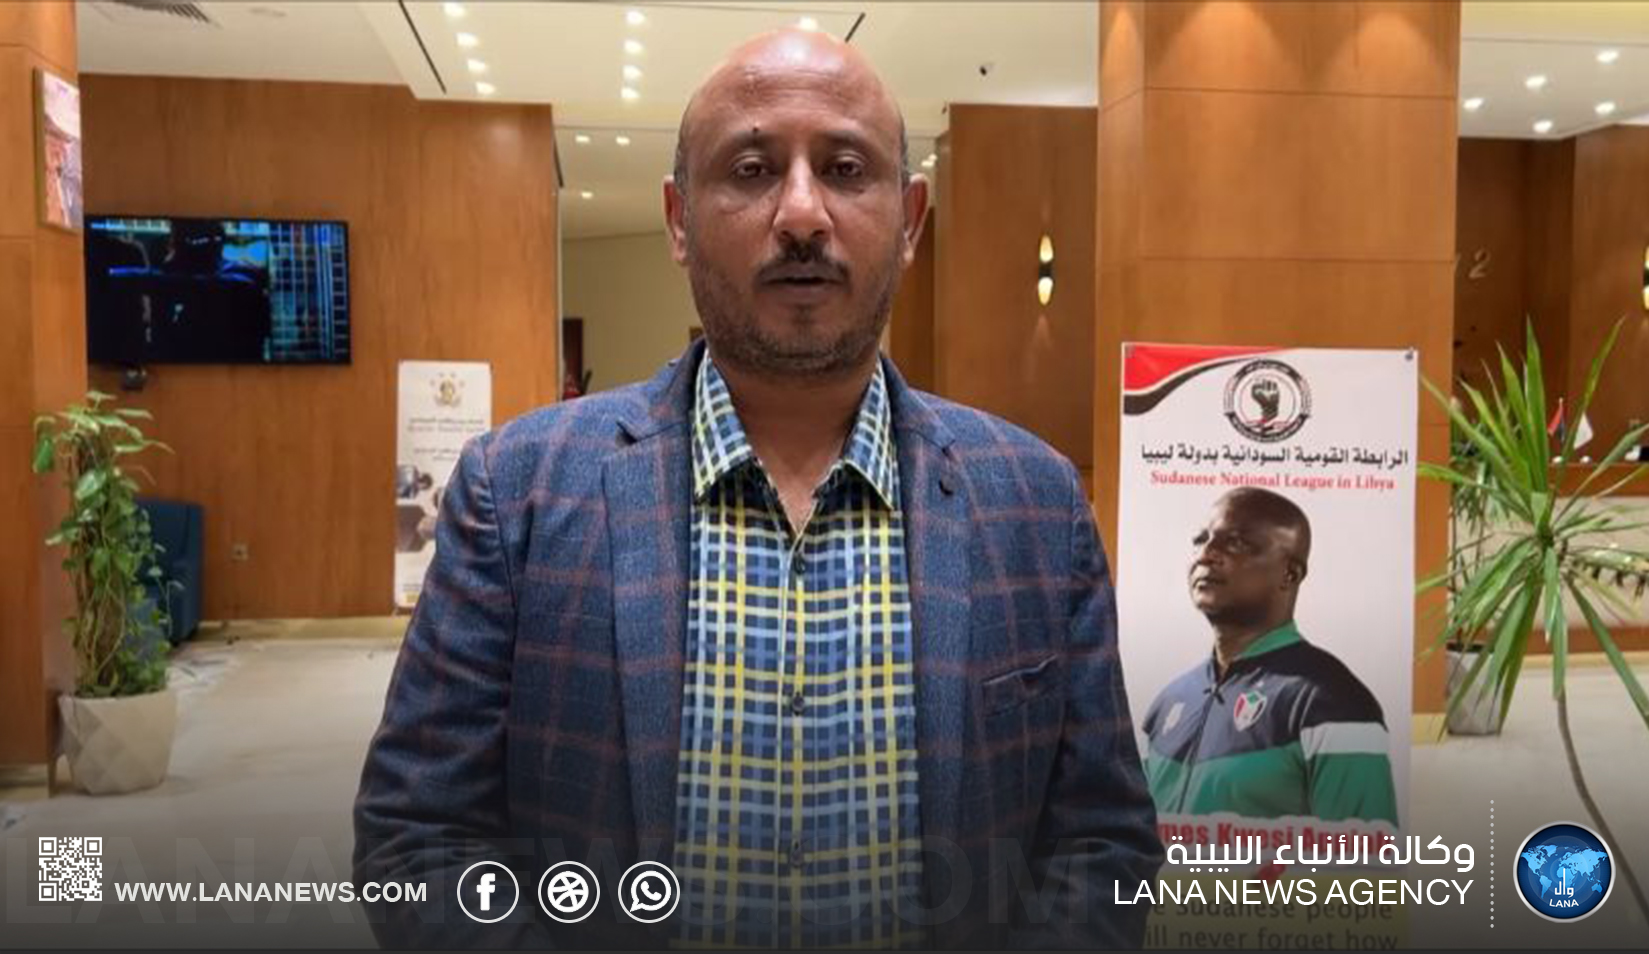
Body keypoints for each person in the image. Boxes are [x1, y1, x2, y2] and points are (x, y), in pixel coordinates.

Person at [354, 28, 1161, 950]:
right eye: (750, 169)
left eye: (846, 169)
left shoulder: (1035, 503)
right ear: (677, 219)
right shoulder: (518, 493)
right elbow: (420, 836)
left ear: (909, 222)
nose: (802, 214)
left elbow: (1099, 841)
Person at [1141, 487, 1398, 826]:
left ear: (1289, 574)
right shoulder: (1166, 705)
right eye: (1200, 540)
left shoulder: (1335, 703)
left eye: (1237, 543)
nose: (1206, 554)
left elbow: (1365, 857)